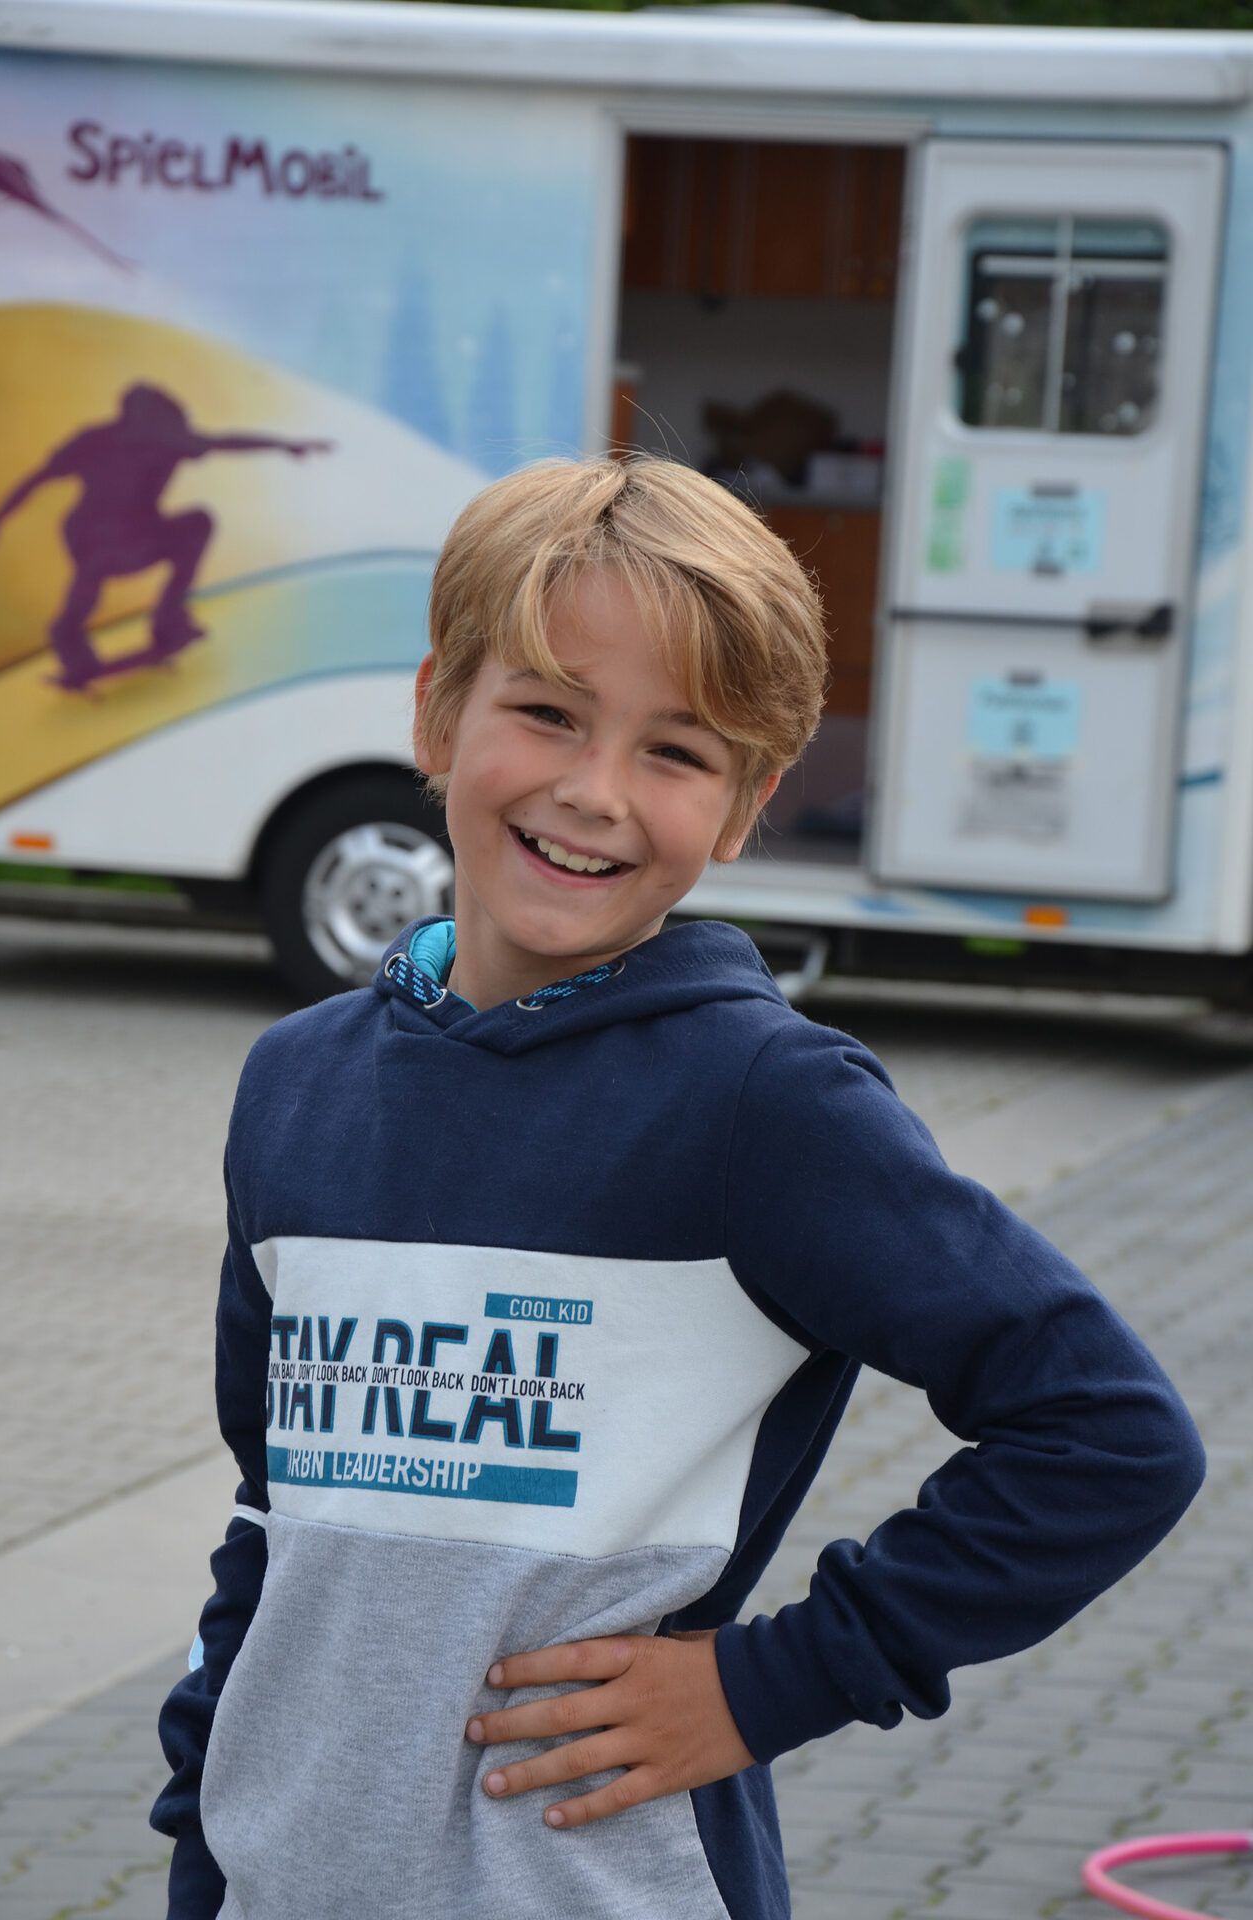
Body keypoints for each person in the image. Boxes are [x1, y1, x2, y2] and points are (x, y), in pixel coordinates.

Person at [151, 456, 1204, 1920]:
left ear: (746, 804)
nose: (594, 793)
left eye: (676, 751)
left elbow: (1109, 1436)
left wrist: (774, 1681)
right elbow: (275, 1516)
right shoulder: (294, 1085)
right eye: (548, 713)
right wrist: (203, 1826)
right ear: (437, 713)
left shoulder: (764, 1104)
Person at [0, 383, 329, 688]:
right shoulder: (95, 441)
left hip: (141, 532)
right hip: (90, 533)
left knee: (198, 523)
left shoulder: (170, 440)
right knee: (96, 565)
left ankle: (167, 616)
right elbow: (38, 478)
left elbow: (226, 442)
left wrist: (284, 445)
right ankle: (68, 631)